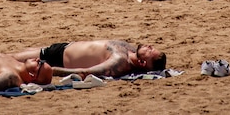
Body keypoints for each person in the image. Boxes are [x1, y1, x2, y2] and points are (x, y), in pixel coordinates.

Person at [10, 40, 166, 78]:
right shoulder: (131, 50)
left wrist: (52, 70)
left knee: (12, 60)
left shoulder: (119, 62)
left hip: (57, 58)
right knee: (16, 56)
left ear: (142, 63)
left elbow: (85, 72)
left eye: (150, 50)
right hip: (64, 47)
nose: (149, 45)